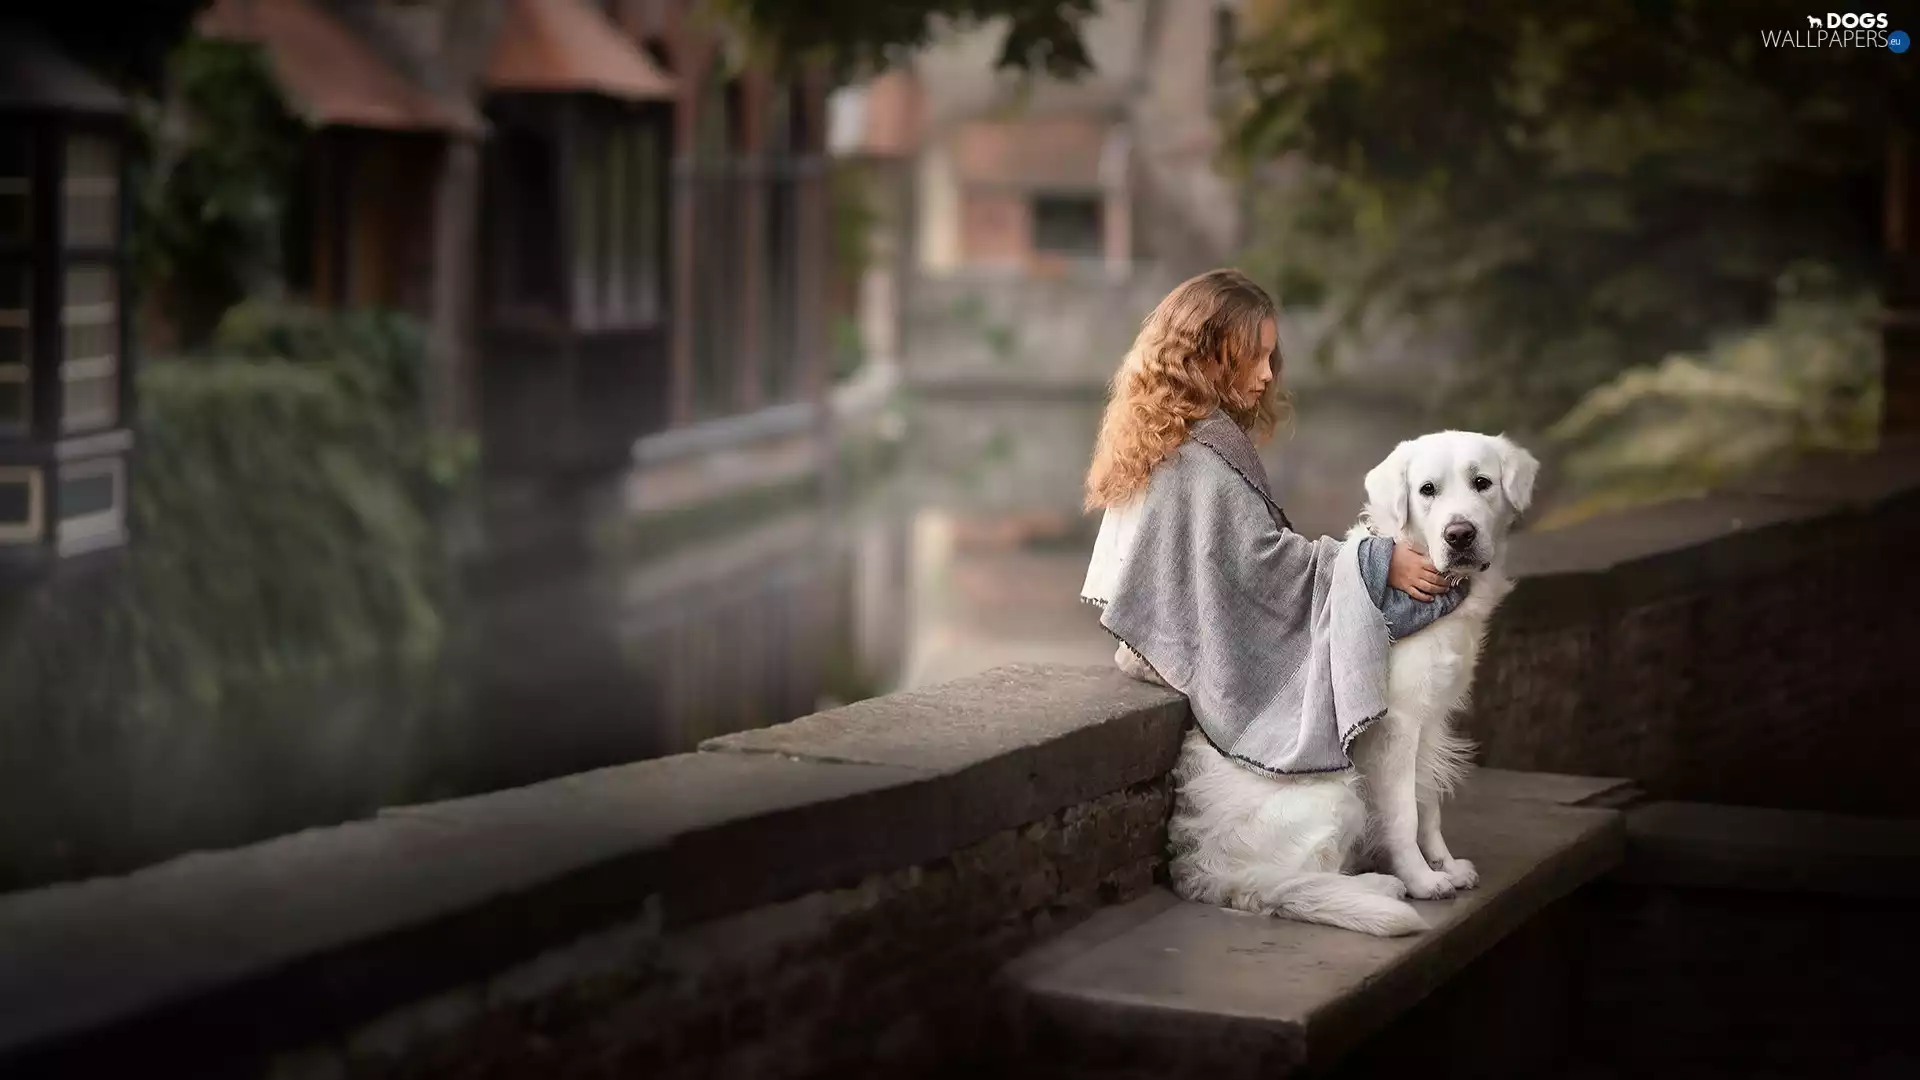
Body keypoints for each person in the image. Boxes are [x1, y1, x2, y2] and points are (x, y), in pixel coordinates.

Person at [1078, 268, 1463, 775]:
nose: (1265, 375)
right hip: (1168, 658)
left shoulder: (1165, 430)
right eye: (1253, 357)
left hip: (1154, 651)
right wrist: (1375, 562)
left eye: (1269, 357)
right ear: (1208, 355)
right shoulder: (1195, 457)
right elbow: (1260, 563)